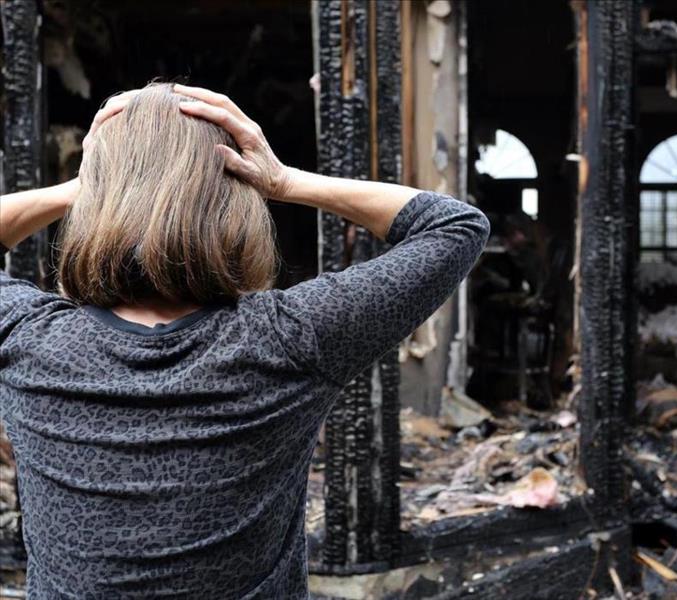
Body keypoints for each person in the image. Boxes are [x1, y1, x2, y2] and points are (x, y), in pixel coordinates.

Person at [0, 83, 490, 599]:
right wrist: (286, 181)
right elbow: (453, 226)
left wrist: (90, 184)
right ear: (236, 195)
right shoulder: (287, 340)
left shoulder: (31, 343)